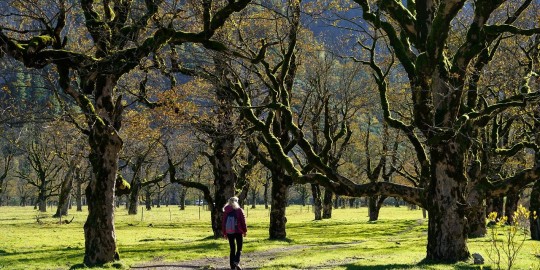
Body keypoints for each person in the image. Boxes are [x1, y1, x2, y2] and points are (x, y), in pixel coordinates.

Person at [222, 196, 247, 270]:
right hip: (238, 231)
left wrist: (225, 233)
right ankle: (236, 262)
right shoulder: (239, 210)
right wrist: (245, 231)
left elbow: (224, 223)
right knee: (239, 248)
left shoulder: (226, 211)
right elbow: (243, 221)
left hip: (229, 232)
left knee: (232, 249)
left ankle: (232, 266)